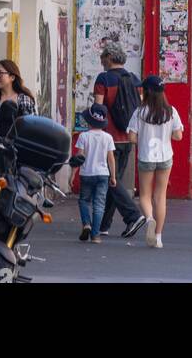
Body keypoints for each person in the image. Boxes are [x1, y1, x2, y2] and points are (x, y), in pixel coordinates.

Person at [92, 43, 145, 239]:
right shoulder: (134, 79)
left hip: (108, 138)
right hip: (127, 138)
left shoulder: (103, 79)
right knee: (115, 180)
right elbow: (140, 107)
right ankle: (103, 225)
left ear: (109, 57)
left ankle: (133, 216)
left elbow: (98, 109)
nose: (101, 62)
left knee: (109, 180)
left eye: (102, 58)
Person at [126, 76, 183, 249]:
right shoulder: (171, 111)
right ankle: (158, 237)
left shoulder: (139, 112)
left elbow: (132, 137)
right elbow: (178, 136)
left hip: (146, 157)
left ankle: (149, 218)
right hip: (165, 157)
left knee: (144, 195)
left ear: (147, 91)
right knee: (160, 196)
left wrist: (144, 136)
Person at [74, 104, 116, 244]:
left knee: (84, 200)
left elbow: (79, 157)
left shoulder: (83, 136)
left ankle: (86, 223)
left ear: (88, 120)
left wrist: (72, 174)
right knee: (99, 204)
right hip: (103, 174)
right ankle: (96, 235)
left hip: (86, 174)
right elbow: (111, 158)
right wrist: (113, 176)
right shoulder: (108, 137)